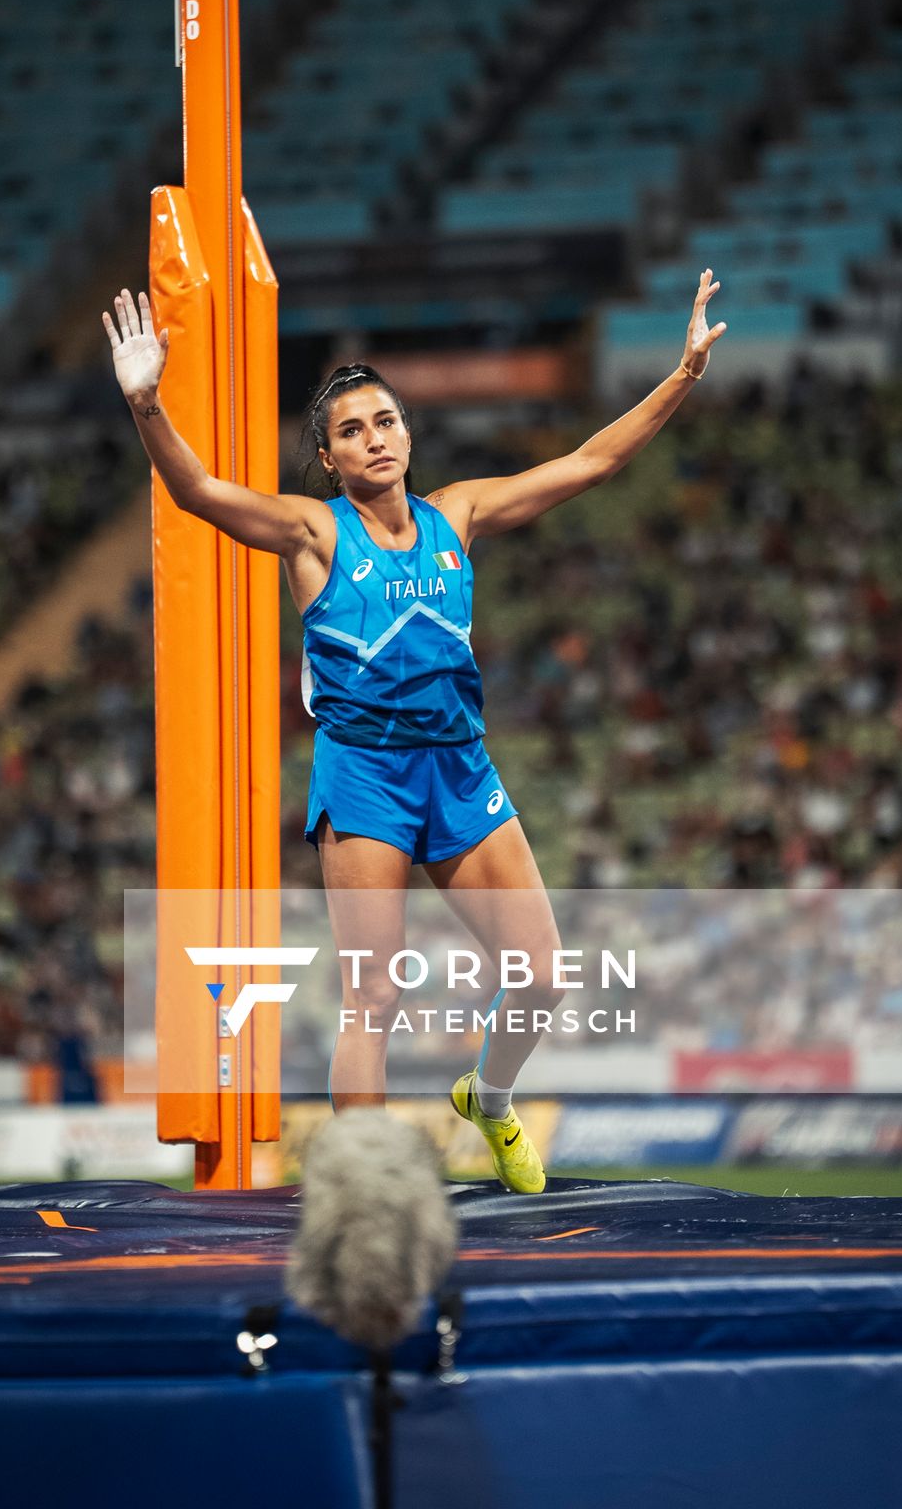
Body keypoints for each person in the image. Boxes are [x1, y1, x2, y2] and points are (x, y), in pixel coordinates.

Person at [103, 272, 726, 1192]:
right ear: (327, 458)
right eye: (351, 431)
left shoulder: (458, 515)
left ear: (408, 433)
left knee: (547, 977)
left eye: (385, 422)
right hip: (364, 778)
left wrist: (682, 373)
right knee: (374, 996)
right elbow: (196, 493)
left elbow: (590, 464)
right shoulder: (314, 533)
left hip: (459, 770)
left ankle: (490, 1096)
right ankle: (365, 1191)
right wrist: (148, 402)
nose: (374, 438)